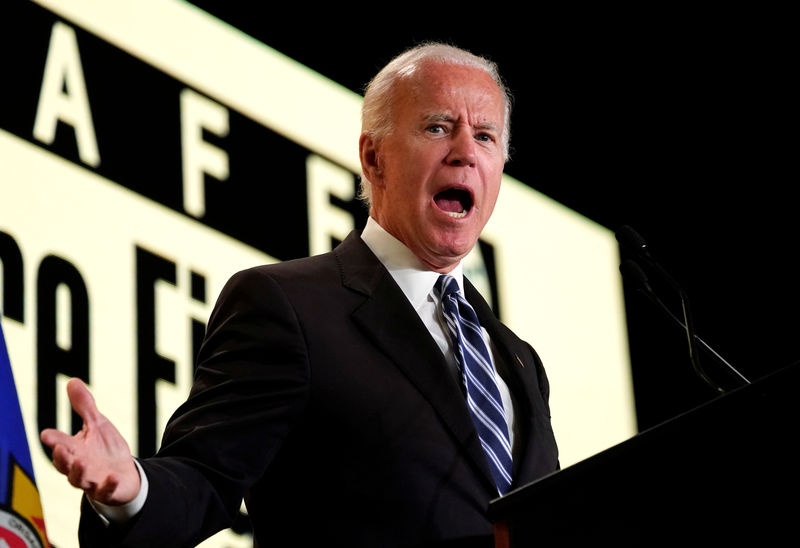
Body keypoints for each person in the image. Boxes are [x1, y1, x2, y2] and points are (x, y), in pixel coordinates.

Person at [40, 42, 559, 547]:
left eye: (486, 136)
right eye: (438, 127)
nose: (466, 152)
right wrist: (129, 491)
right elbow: (205, 475)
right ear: (373, 157)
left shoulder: (517, 360)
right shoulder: (287, 305)